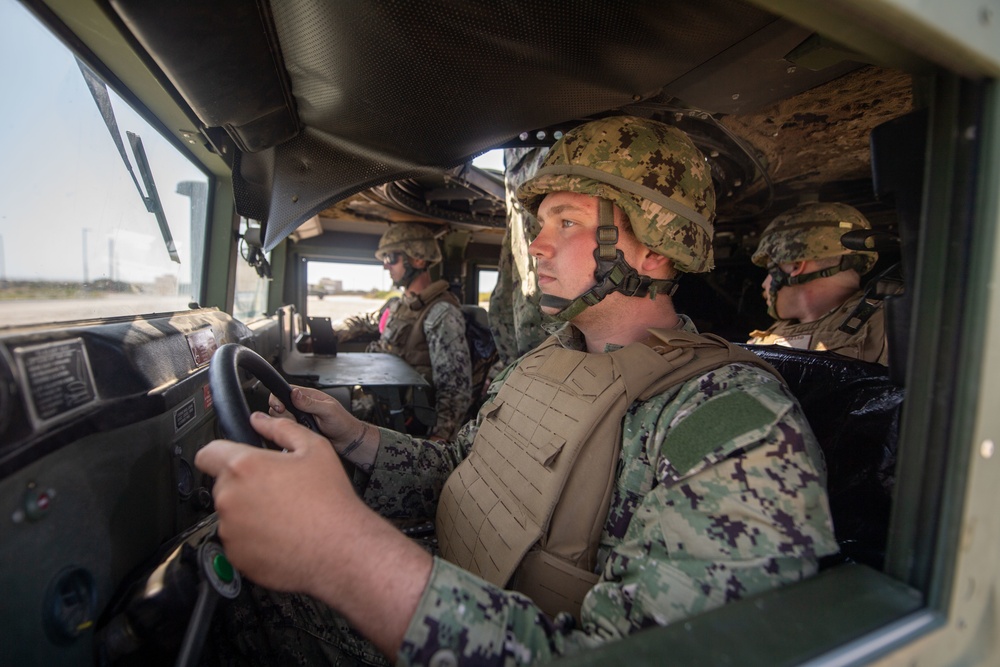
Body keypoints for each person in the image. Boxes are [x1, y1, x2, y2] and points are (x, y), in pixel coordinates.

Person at [195, 116, 837, 666]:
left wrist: (344, 556)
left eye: (566, 219)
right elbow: (461, 469)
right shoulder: (543, 361)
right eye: (539, 221)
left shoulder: (732, 422)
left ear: (654, 247)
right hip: (461, 585)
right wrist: (356, 438)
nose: (536, 241)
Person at [366, 223, 472, 441]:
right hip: (387, 411)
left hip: (415, 427)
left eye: (391, 258)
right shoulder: (398, 306)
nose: (386, 267)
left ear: (417, 259)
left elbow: (455, 389)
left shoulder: (441, 313)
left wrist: (440, 439)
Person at [746, 202, 889, 364]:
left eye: (769, 269)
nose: (764, 284)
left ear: (796, 264)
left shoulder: (894, 326)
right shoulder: (765, 339)